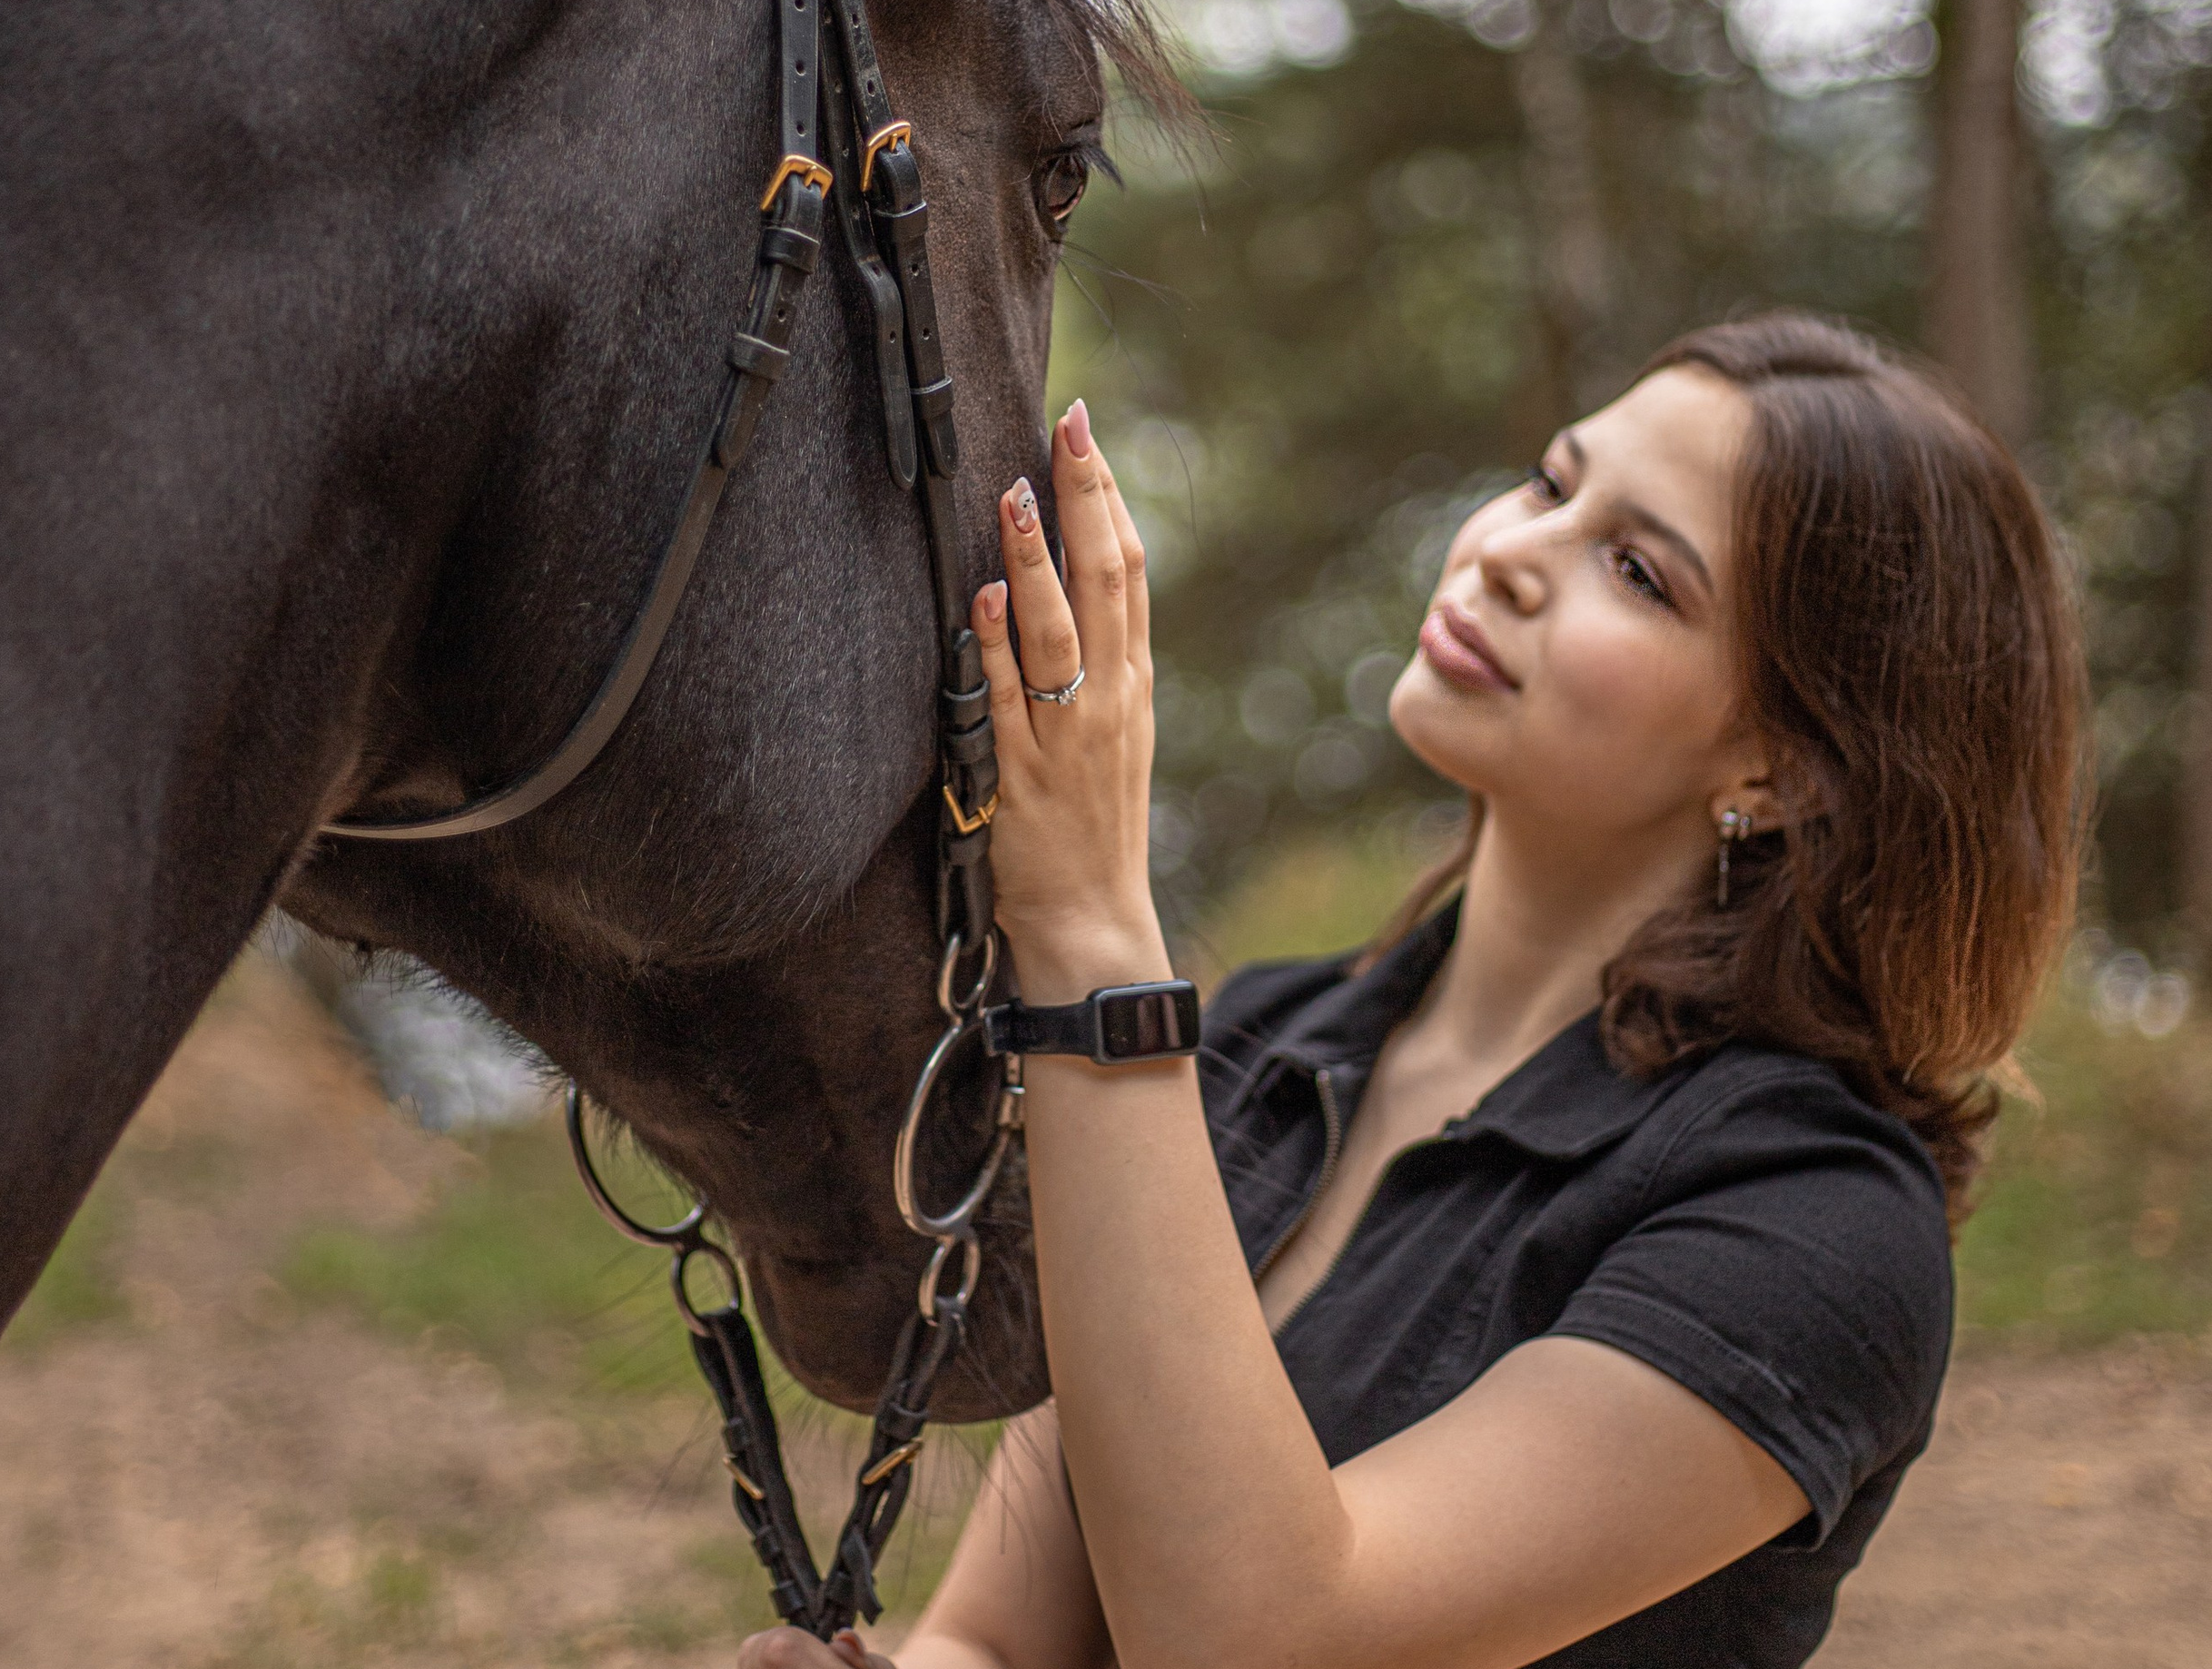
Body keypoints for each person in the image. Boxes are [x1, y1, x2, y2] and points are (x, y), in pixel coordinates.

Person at [743, 311, 2085, 1669]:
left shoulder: (1815, 1225)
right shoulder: (1252, 1047)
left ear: (1784, 769)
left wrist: (1093, 927)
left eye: (1637, 571)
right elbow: (1000, 1638)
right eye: (1554, 485)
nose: (1509, 554)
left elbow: (1268, 1640)